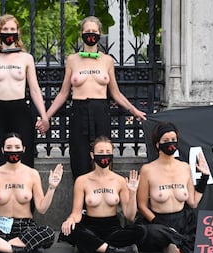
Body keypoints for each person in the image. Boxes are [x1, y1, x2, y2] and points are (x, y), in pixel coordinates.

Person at [46, 16, 147, 181]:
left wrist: (134, 110)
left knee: (103, 153)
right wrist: (46, 116)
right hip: (79, 110)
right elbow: (64, 93)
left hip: (101, 110)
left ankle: (102, 198)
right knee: (79, 156)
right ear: (82, 34)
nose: (91, 34)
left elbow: (115, 93)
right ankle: (82, 201)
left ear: (100, 34)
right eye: (87, 31)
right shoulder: (72, 60)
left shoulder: (107, 61)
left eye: (94, 31)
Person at [0, 14, 50, 169]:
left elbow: (35, 90)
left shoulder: (26, 58)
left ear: (17, 32)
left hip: (20, 110)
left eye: (12, 29)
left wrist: (44, 116)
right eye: (5, 29)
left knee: (23, 156)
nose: (9, 32)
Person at [60, 136, 145, 253]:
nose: (104, 156)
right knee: (68, 230)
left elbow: (130, 216)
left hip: (113, 228)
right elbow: (76, 213)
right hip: (90, 226)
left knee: (140, 231)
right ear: (92, 155)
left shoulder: (120, 180)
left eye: (108, 152)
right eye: (100, 152)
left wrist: (132, 193)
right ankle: (114, 250)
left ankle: (91, 246)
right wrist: (70, 220)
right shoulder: (82, 181)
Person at [136, 122, 210, 253]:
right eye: (166, 140)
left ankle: (170, 244)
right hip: (157, 222)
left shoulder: (185, 167)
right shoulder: (147, 170)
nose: (170, 143)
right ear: (158, 144)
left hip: (183, 221)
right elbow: (141, 205)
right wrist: (159, 224)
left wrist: (205, 177)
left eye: (173, 140)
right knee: (146, 232)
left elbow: (193, 203)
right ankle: (174, 242)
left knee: (202, 232)